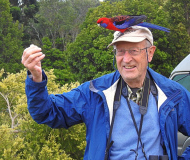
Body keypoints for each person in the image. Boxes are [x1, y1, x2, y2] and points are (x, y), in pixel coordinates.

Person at [21, 26, 190, 160]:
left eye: (133, 51)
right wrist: (36, 78)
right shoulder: (95, 92)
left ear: (150, 53)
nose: (126, 59)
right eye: (120, 51)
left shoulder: (173, 94)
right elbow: (46, 112)